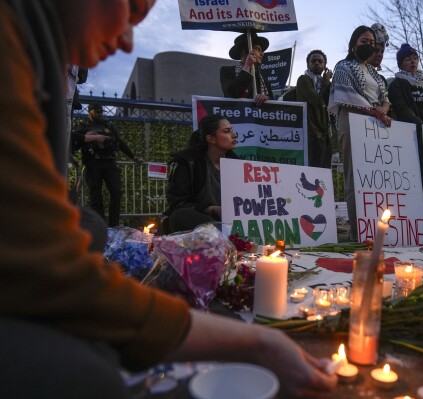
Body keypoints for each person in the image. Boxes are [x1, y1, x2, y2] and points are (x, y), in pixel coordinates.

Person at [0, 1, 336, 398]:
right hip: (186, 222)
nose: (127, 42)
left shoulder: (36, 51)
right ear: (211, 136)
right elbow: (55, 272)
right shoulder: (15, 45)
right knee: (89, 377)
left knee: (87, 224)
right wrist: (254, 341)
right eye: (131, 12)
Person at [328, 25, 392, 241]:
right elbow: (347, 95)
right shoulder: (344, 67)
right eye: (364, 42)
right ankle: (359, 233)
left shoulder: (374, 72)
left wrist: (383, 109)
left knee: (376, 178)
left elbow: (385, 95)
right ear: (354, 44)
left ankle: (380, 231)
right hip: (353, 119)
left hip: (377, 123)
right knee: (355, 177)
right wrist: (375, 111)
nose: (369, 46)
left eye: (372, 43)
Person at [164, 115, 239, 233]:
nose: (234, 135)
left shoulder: (237, 164)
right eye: (226, 131)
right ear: (211, 139)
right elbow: (178, 203)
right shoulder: (188, 163)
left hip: (231, 221)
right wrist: (212, 209)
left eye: (232, 130)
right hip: (204, 220)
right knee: (181, 216)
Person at [72, 103, 143, 227]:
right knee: (96, 196)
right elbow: (75, 141)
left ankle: (113, 226)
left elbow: (120, 143)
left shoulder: (109, 125)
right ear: (90, 111)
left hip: (110, 162)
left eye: (101, 112)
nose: (100, 114)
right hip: (93, 163)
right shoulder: (83, 126)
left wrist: (134, 157)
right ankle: (100, 226)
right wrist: (90, 136)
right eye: (97, 112)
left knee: (116, 192)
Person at [295, 50, 333, 169]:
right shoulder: (304, 80)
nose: (317, 63)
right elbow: (318, 102)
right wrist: (326, 81)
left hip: (325, 135)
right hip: (312, 134)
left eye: (320, 61)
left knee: (324, 172)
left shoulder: (324, 84)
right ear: (308, 64)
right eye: (313, 61)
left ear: (324, 66)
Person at [220, 32, 273, 106]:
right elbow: (231, 93)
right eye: (258, 49)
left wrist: (266, 98)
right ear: (245, 52)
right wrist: (247, 65)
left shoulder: (263, 79)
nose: (262, 53)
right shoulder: (227, 71)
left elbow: (273, 104)